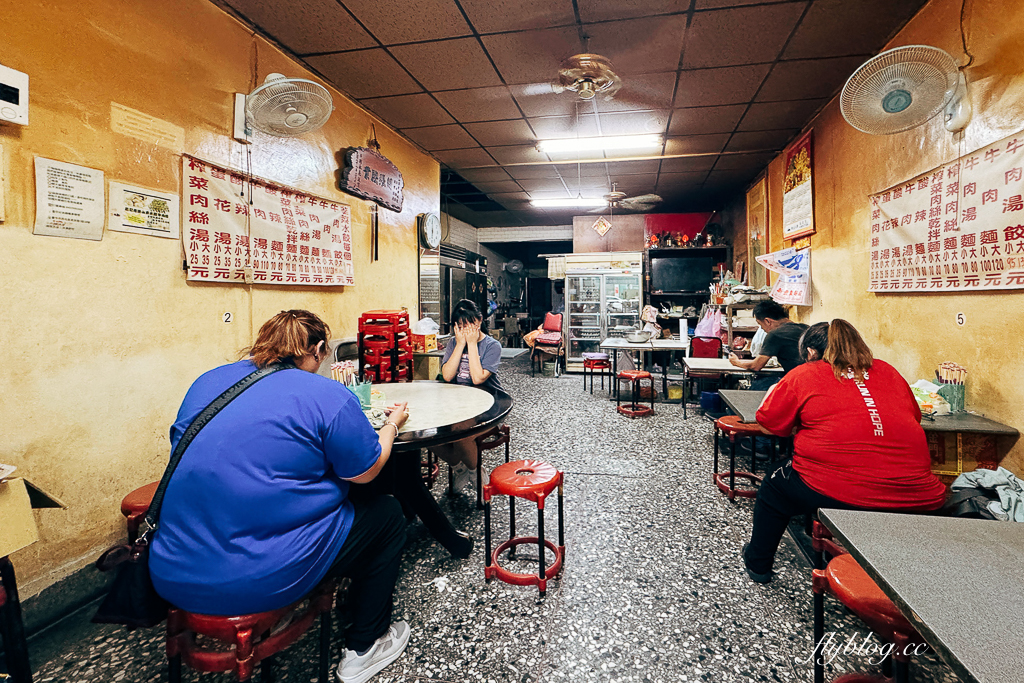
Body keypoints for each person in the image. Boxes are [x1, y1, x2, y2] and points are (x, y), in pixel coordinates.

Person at [149, 310, 412, 683]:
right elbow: (365, 471)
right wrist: (391, 426)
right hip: (259, 578)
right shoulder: (326, 394)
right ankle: (365, 647)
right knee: (386, 514)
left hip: (170, 570)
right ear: (318, 351)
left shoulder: (207, 382)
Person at [741, 319, 947, 583]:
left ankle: (758, 564)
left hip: (839, 490)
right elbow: (914, 417)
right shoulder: (888, 371)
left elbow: (770, 425)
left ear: (811, 353)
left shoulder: (805, 373)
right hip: (919, 495)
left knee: (774, 484)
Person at [435, 299, 502, 489]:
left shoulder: (492, 346)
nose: (465, 330)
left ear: (479, 321)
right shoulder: (453, 343)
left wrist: (472, 344)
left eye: (469, 324)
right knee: (428, 434)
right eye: (460, 326)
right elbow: (448, 376)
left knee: (461, 433)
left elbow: (478, 378)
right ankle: (460, 469)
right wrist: (459, 345)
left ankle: (476, 472)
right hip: (458, 404)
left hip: (488, 405)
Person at [728, 299, 808, 390]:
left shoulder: (775, 334)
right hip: (814, 378)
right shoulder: (806, 328)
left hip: (798, 382)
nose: (762, 329)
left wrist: (736, 362)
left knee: (759, 385)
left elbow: (756, 366)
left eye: (760, 324)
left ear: (767, 321)